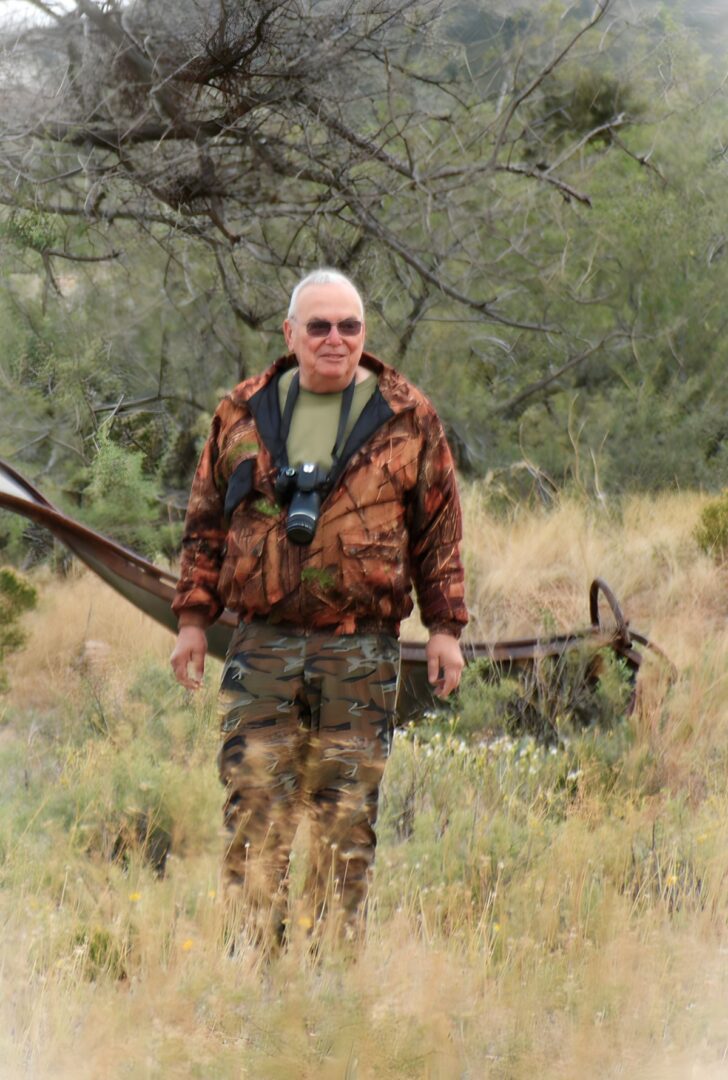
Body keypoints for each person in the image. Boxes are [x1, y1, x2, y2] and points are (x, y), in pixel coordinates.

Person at [170, 268, 467, 949]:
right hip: (261, 644)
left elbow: (439, 529)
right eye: (320, 326)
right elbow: (204, 524)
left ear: (365, 332)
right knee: (253, 808)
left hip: (360, 648)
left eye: (350, 326)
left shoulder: (407, 415)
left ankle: (332, 973)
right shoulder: (242, 411)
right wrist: (191, 620)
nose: (336, 339)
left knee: (346, 814)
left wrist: (445, 628)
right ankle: (256, 969)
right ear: (290, 333)